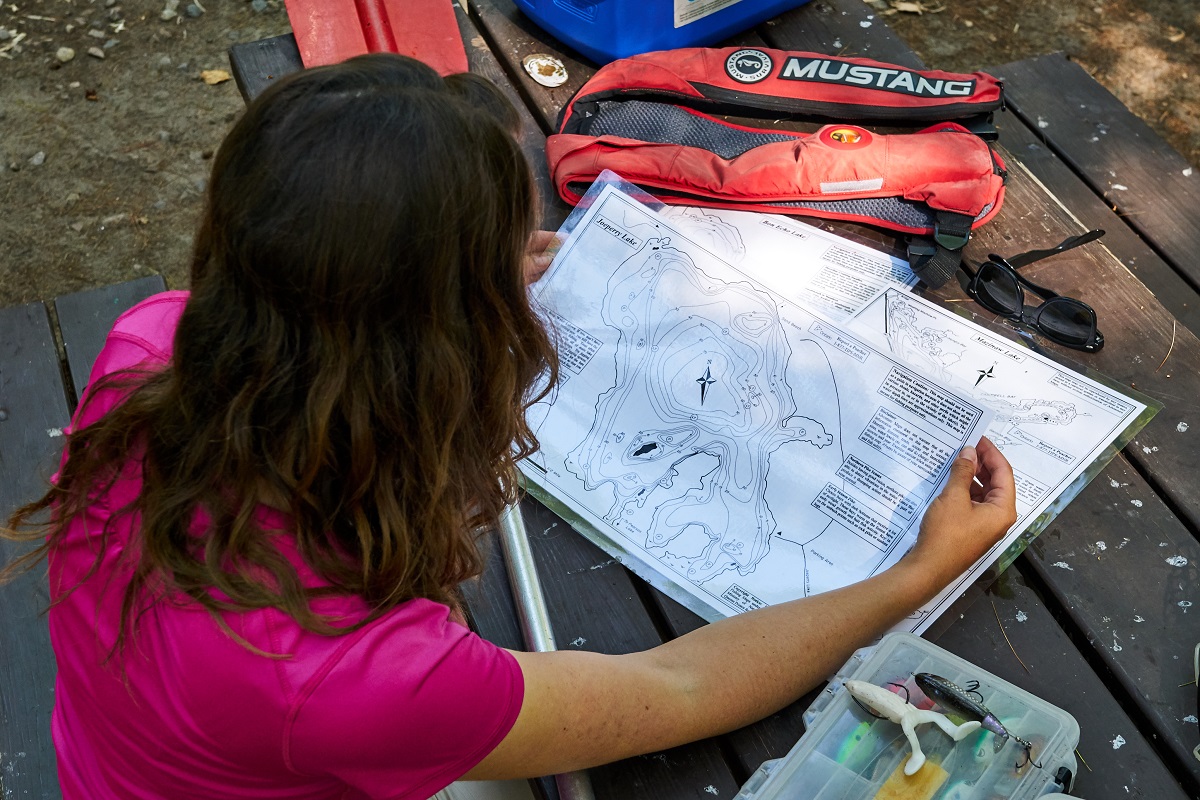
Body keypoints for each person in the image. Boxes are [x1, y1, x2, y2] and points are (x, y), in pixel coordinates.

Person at [1, 53, 1017, 799]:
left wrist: (455, 283)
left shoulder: (155, 347)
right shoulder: (364, 679)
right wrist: (914, 575)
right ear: (445, 348)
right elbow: (677, 679)